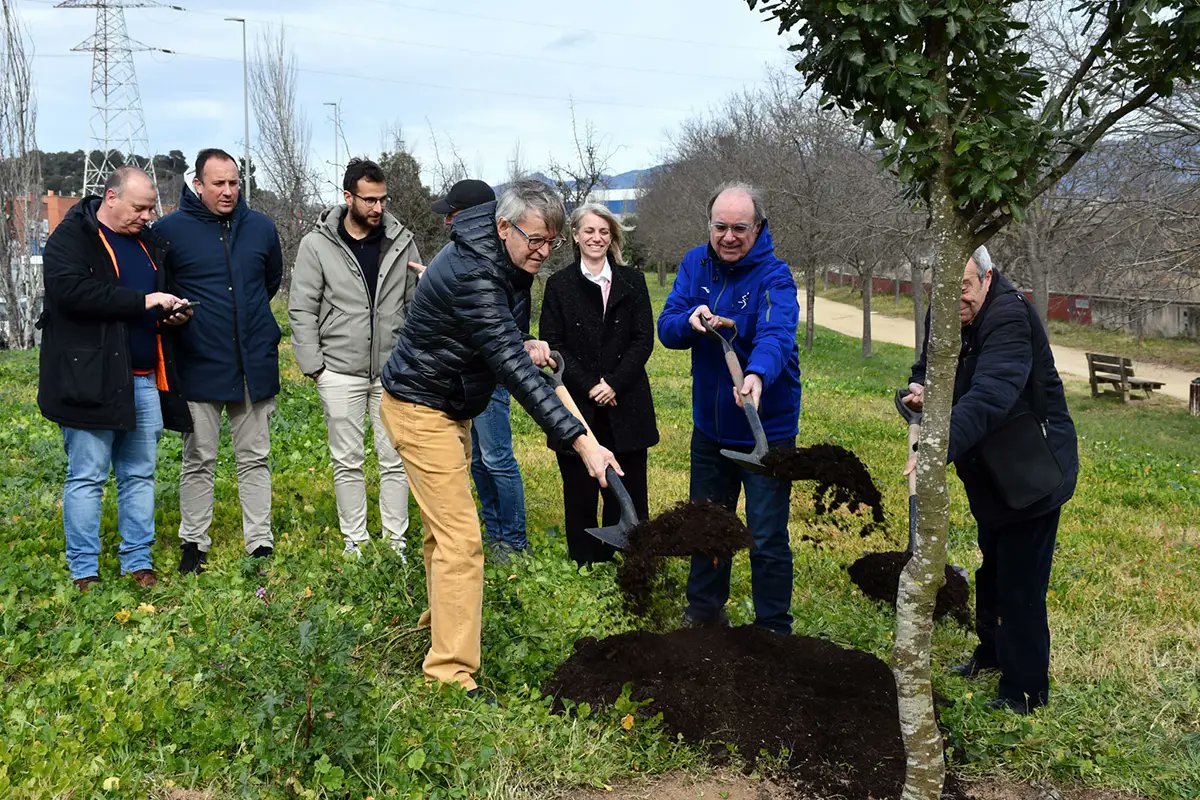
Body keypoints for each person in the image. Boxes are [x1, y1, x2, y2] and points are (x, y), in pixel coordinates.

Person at [379, 179, 622, 694]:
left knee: (441, 532)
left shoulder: (508, 260)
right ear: (503, 225)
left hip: (449, 404)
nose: (542, 251)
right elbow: (513, 372)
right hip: (420, 407)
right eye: (534, 239)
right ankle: (449, 673)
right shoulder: (476, 272)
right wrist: (583, 444)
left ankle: (442, 623)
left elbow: (502, 341)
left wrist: (523, 341)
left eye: (551, 242)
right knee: (463, 541)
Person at [902, 245, 1078, 714]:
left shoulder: (1009, 317)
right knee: (993, 566)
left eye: (963, 288)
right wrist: (918, 391)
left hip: (1031, 470)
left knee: (1021, 585)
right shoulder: (946, 312)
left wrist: (936, 448)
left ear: (986, 277)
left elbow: (992, 395)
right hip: (989, 471)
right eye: (943, 291)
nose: (954, 301)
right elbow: (927, 368)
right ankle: (993, 653)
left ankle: (1024, 692)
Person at [37, 166, 192, 590]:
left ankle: (137, 561)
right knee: (87, 476)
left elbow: (158, 295)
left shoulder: (149, 243)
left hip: (142, 378)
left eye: (150, 208)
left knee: (139, 474)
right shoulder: (72, 238)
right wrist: (144, 301)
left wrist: (172, 312)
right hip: (90, 380)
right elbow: (71, 293)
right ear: (110, 198)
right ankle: (84, 570)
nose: (146, 215)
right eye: (139, 207)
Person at [657, 181, 801, 635]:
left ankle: (773, 626)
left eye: (740, 227)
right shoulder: (695, 263)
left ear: (758, 228)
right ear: (710, 225)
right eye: (720, 227)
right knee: (707, 524)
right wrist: (690, 321)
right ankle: (704, 612)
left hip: (765, 432)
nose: (729, 237)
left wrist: (756, 374)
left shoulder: (775, 277)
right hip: (712, 430)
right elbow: (667, 326)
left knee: (766, 533)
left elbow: (779, 335)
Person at [156, 148, 284, 573]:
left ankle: (259, 543)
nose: (228, 191)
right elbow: (162, 293)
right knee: (198, 459)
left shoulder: (261, 228)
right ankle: (194, 543)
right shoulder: (168, 232)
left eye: (234, 183)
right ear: (198, 185)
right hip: (198, 362)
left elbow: (269, 282)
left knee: (255, 457)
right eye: (218, 184)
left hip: (252, 363)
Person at [289, 159, 421, 559]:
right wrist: (315, 367)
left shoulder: (402, 240)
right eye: (369, 200)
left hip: (392, 372)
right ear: (348, 197)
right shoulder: (318, 244)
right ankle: (355, 542)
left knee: (394, 459)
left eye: (382, 199)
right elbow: (302, 309)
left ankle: (395, 543)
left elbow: (418, 306)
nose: (378, 208)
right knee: (347, 460)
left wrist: (411, 361)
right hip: (339, 372)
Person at [540, 202, 658, 566]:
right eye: (589, 231)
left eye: (604, 232)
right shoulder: (559, 286)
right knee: (579, 492)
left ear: (613, 237)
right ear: (575, 235)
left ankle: (627, 561)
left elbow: (643, 339)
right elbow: (552, 342)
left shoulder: (632, 282)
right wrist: (591, 384)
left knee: (631, 489)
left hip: (627, 403)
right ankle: (585, 563)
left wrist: (614, 384)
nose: (597, 238)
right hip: (578, 405)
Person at [431, 179, 530, 558]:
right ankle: (494, 532)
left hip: (492, 373)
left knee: (497, 458)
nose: (447, 223)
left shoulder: (503, 263)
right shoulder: (470, 256)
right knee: (479, 462)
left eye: (452, 215)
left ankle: (515, 541)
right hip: (466, 374)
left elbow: (508, 326)